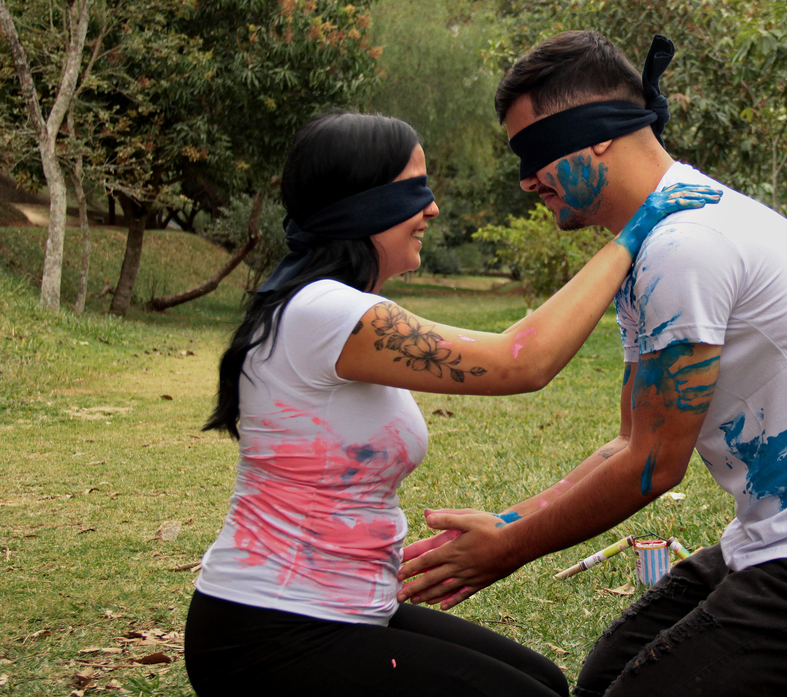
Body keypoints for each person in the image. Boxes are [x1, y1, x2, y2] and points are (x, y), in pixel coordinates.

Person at [396, 32, 787, 697]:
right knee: (604, 678)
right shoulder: (653, 240)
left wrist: (510, 550)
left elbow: (653, 467)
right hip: (784, 544)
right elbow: (633, 441)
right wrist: (512, 521)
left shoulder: (684, 246)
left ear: (598, 135)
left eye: (536, 151)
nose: (526, 179)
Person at [182, 109, 719, 697]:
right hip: (274, 632)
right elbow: (521, 361)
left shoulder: (327, 311)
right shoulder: (324, 311)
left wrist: (512, 523)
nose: (432, 209)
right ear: (360, 203)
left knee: (544, 679)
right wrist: (635, 231)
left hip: (334, 609)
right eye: (415, 190)